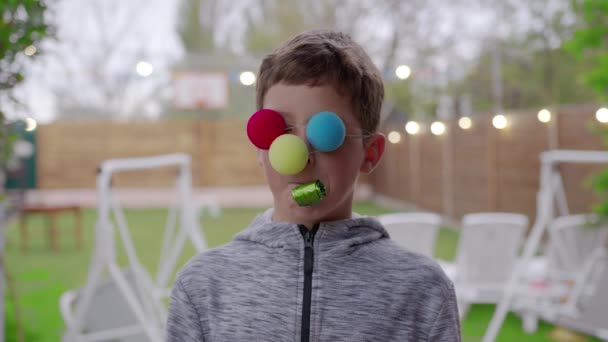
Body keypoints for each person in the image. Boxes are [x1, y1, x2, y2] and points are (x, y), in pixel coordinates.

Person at [166, 29, 461, 342]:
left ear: (369, 153)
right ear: (259, 149)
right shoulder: (203, 285)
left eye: (325, 131)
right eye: (277, 129)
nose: (297, 156)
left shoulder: (422, 290)